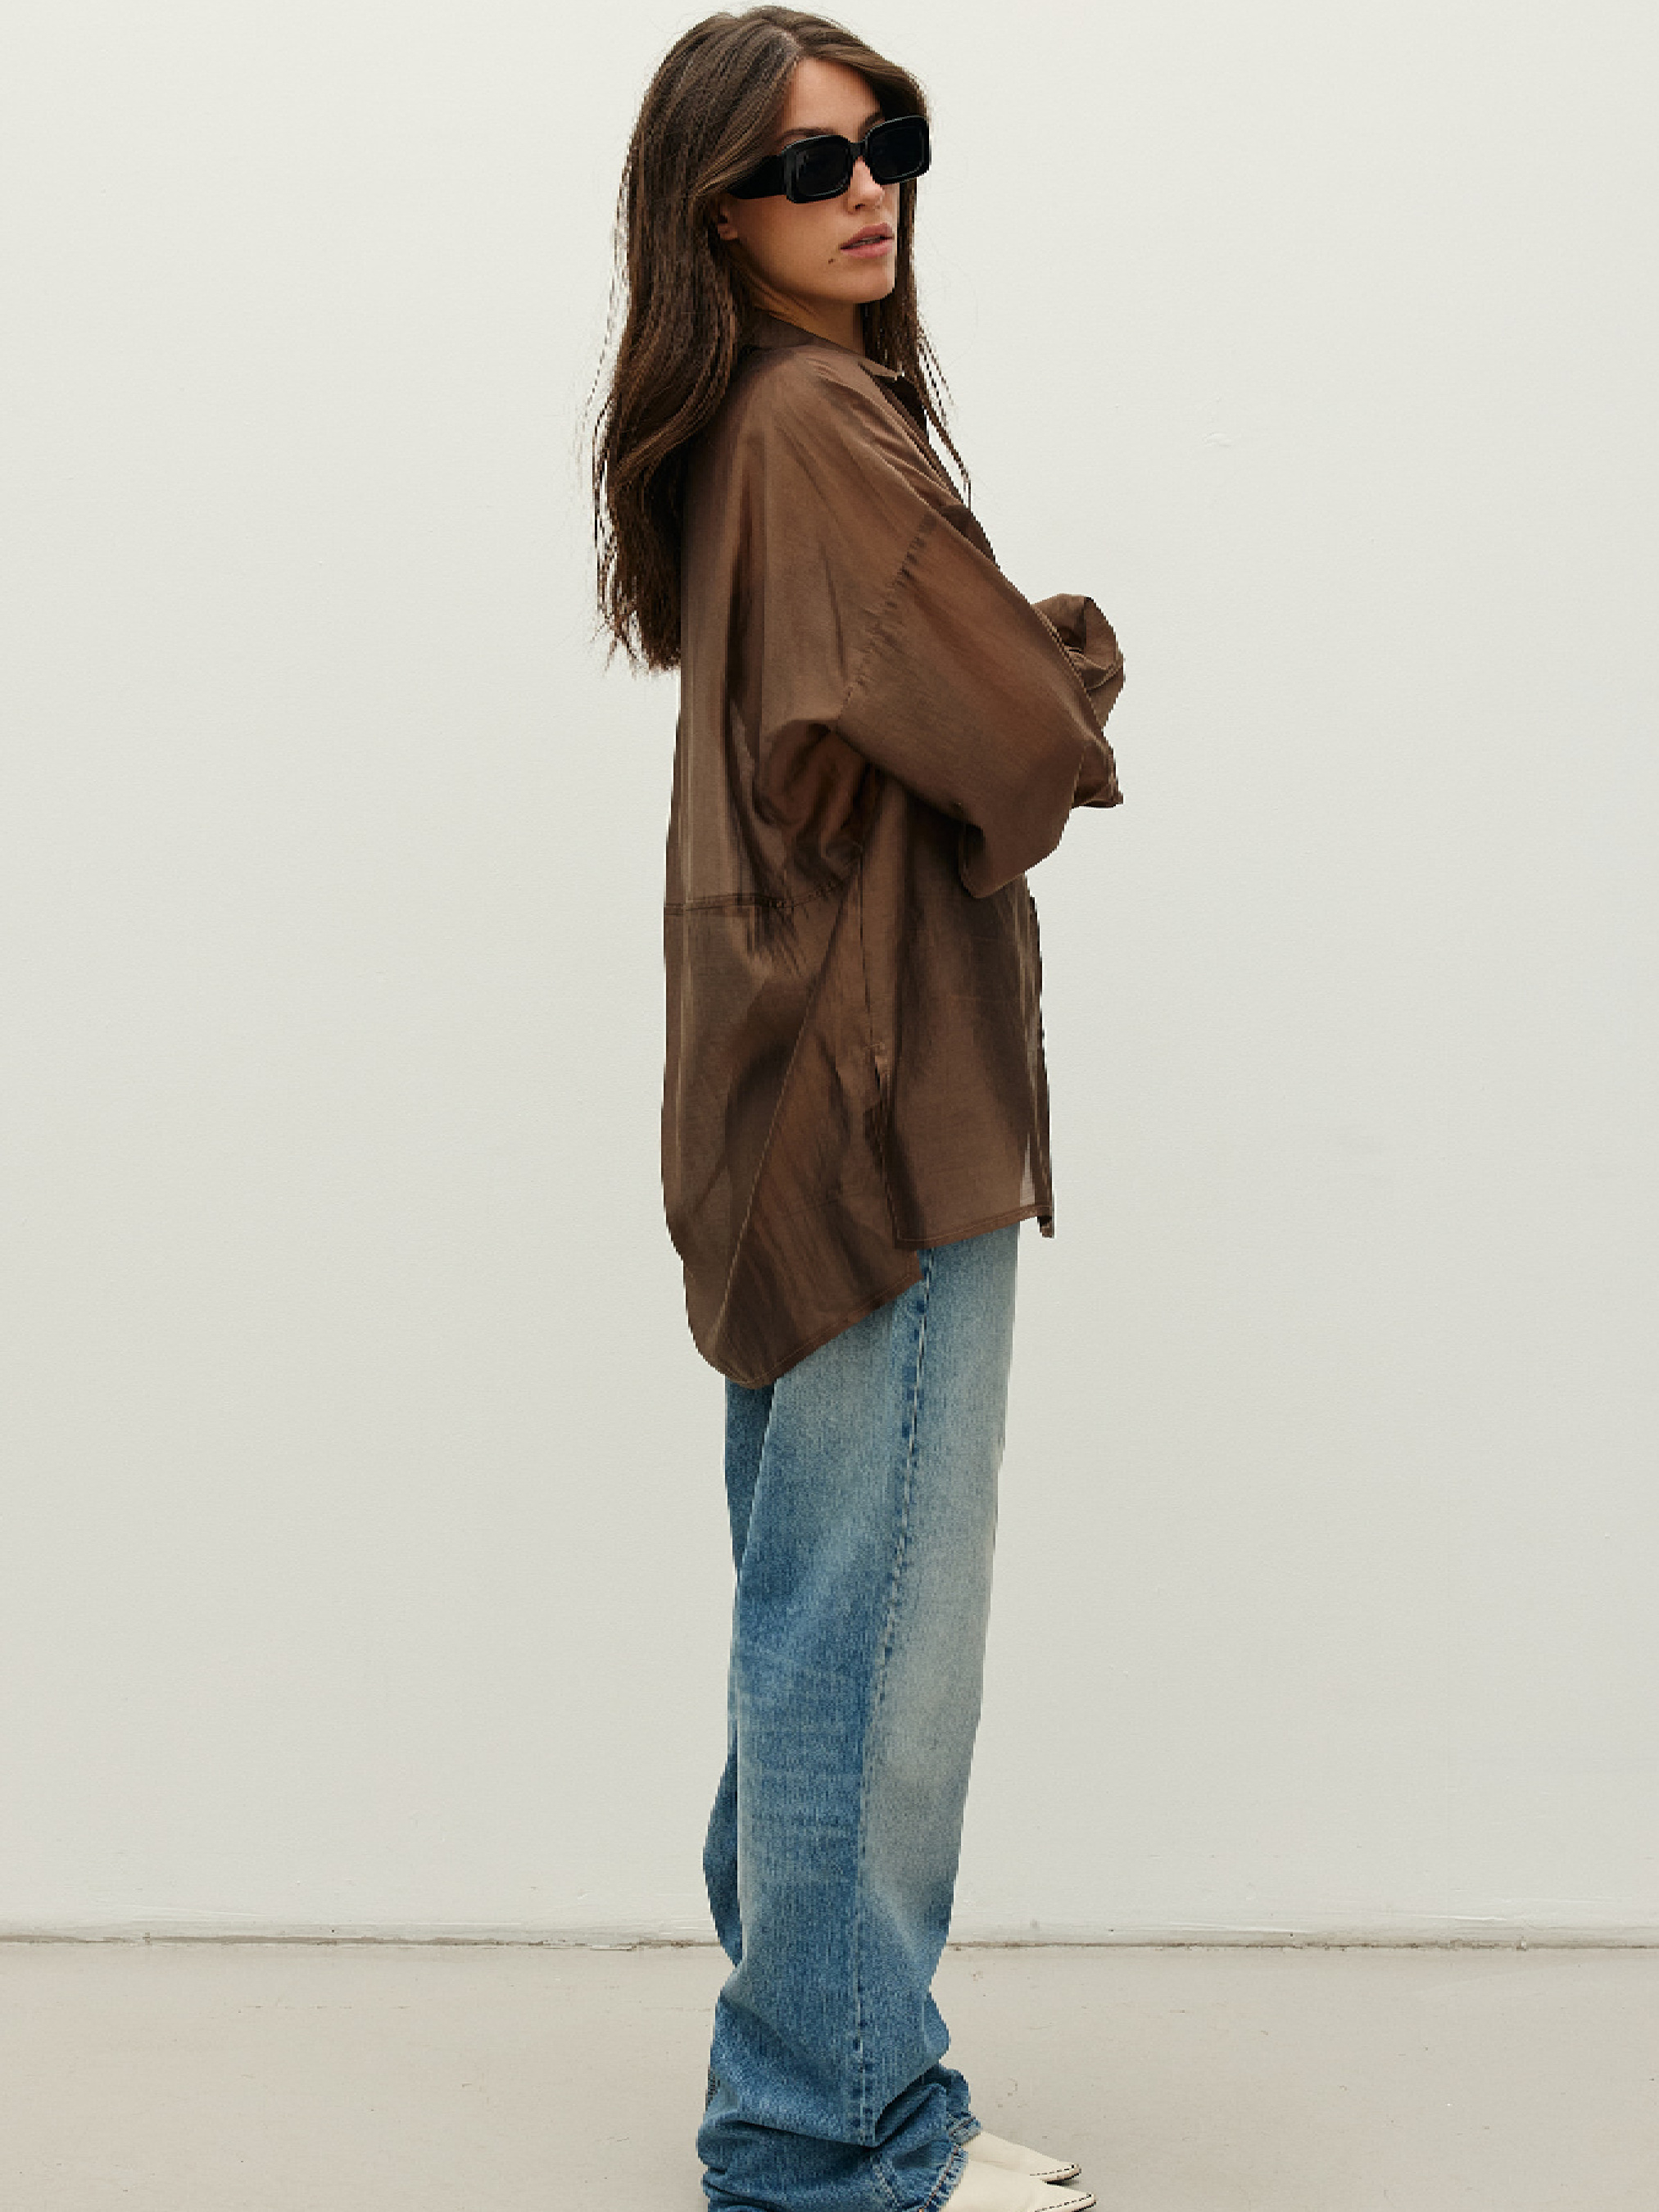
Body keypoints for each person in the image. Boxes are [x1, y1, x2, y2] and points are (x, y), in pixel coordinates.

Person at [591, 11, 1126, 2209]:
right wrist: (1066, 650)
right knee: (876, 1615)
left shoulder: (755, 418)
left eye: (886, 143)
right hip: (878, 1108)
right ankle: (825, 2130)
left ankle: (833, 2071)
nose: (866, 190)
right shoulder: (821, 424)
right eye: (811, 167)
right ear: (716, 215)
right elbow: (1025, 743)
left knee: (816, 1599)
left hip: (790, 1099)